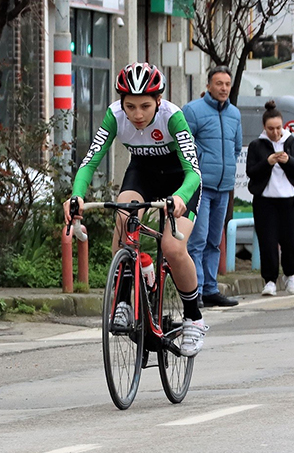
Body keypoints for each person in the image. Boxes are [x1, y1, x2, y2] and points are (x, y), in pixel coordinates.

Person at [63, 62, 208, 357]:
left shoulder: (173, 117)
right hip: (142, 173)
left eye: (145, 106)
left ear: (158, 101)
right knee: (123, 219)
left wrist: (180, 197)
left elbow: (193, 171)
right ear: (121, 103)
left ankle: (194, 317)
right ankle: (124, 302)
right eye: (130, 106)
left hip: (181, 180)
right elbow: (90, 161)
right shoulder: (115, 116)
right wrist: (77, 196)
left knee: (172, 246)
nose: (137, 115)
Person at [183, 66, 242, 308]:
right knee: (197, 240)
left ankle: (210, 289)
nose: (224, 88)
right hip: (201, 186)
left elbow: (236, 148)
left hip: (224, 187)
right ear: (208, 86)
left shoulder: (234, 114)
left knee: (214, 241)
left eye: (227, 84)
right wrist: (201, 160)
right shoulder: (192, 110)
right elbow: (184, 144)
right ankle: (194, 291)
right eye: (219, 83)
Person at [245, 101, 294, 296]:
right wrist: (268, 162)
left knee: (290, 240)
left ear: (283, 126)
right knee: (268, 241)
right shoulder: (257, 145)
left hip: (289, 199)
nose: (275, 132)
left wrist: (288, 161)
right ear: (264, 128)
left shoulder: (291, 142)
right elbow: (252, 172)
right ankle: (270, 280)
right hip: (265, 200)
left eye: (278, 128)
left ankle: (290, 275)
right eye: (271, 128)